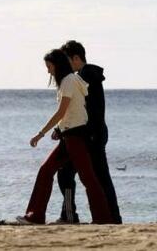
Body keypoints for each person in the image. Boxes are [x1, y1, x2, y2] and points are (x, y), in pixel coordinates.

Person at [16, 49, 113, 225]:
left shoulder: (69, 81)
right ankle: (35, 216)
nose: (48, 71)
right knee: (46, 170)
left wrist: (41, 133)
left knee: (88, 178)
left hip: (75, 136)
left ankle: (103, 218)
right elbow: (70, 113)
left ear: (57, 65)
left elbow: (61, 112)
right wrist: (59, 130)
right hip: (68, 136)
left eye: (49, 66)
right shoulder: (70, 81)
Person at [54, 41, 122, 224]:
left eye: (67, 60)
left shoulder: (84, 77)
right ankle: (111, 218)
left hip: (89, 135)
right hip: (93, 133)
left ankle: (71, 216)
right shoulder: (87, 75)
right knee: (91, 176)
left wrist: (64, 130)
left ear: (76, 58)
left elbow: (82, 110)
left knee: (71, 173)